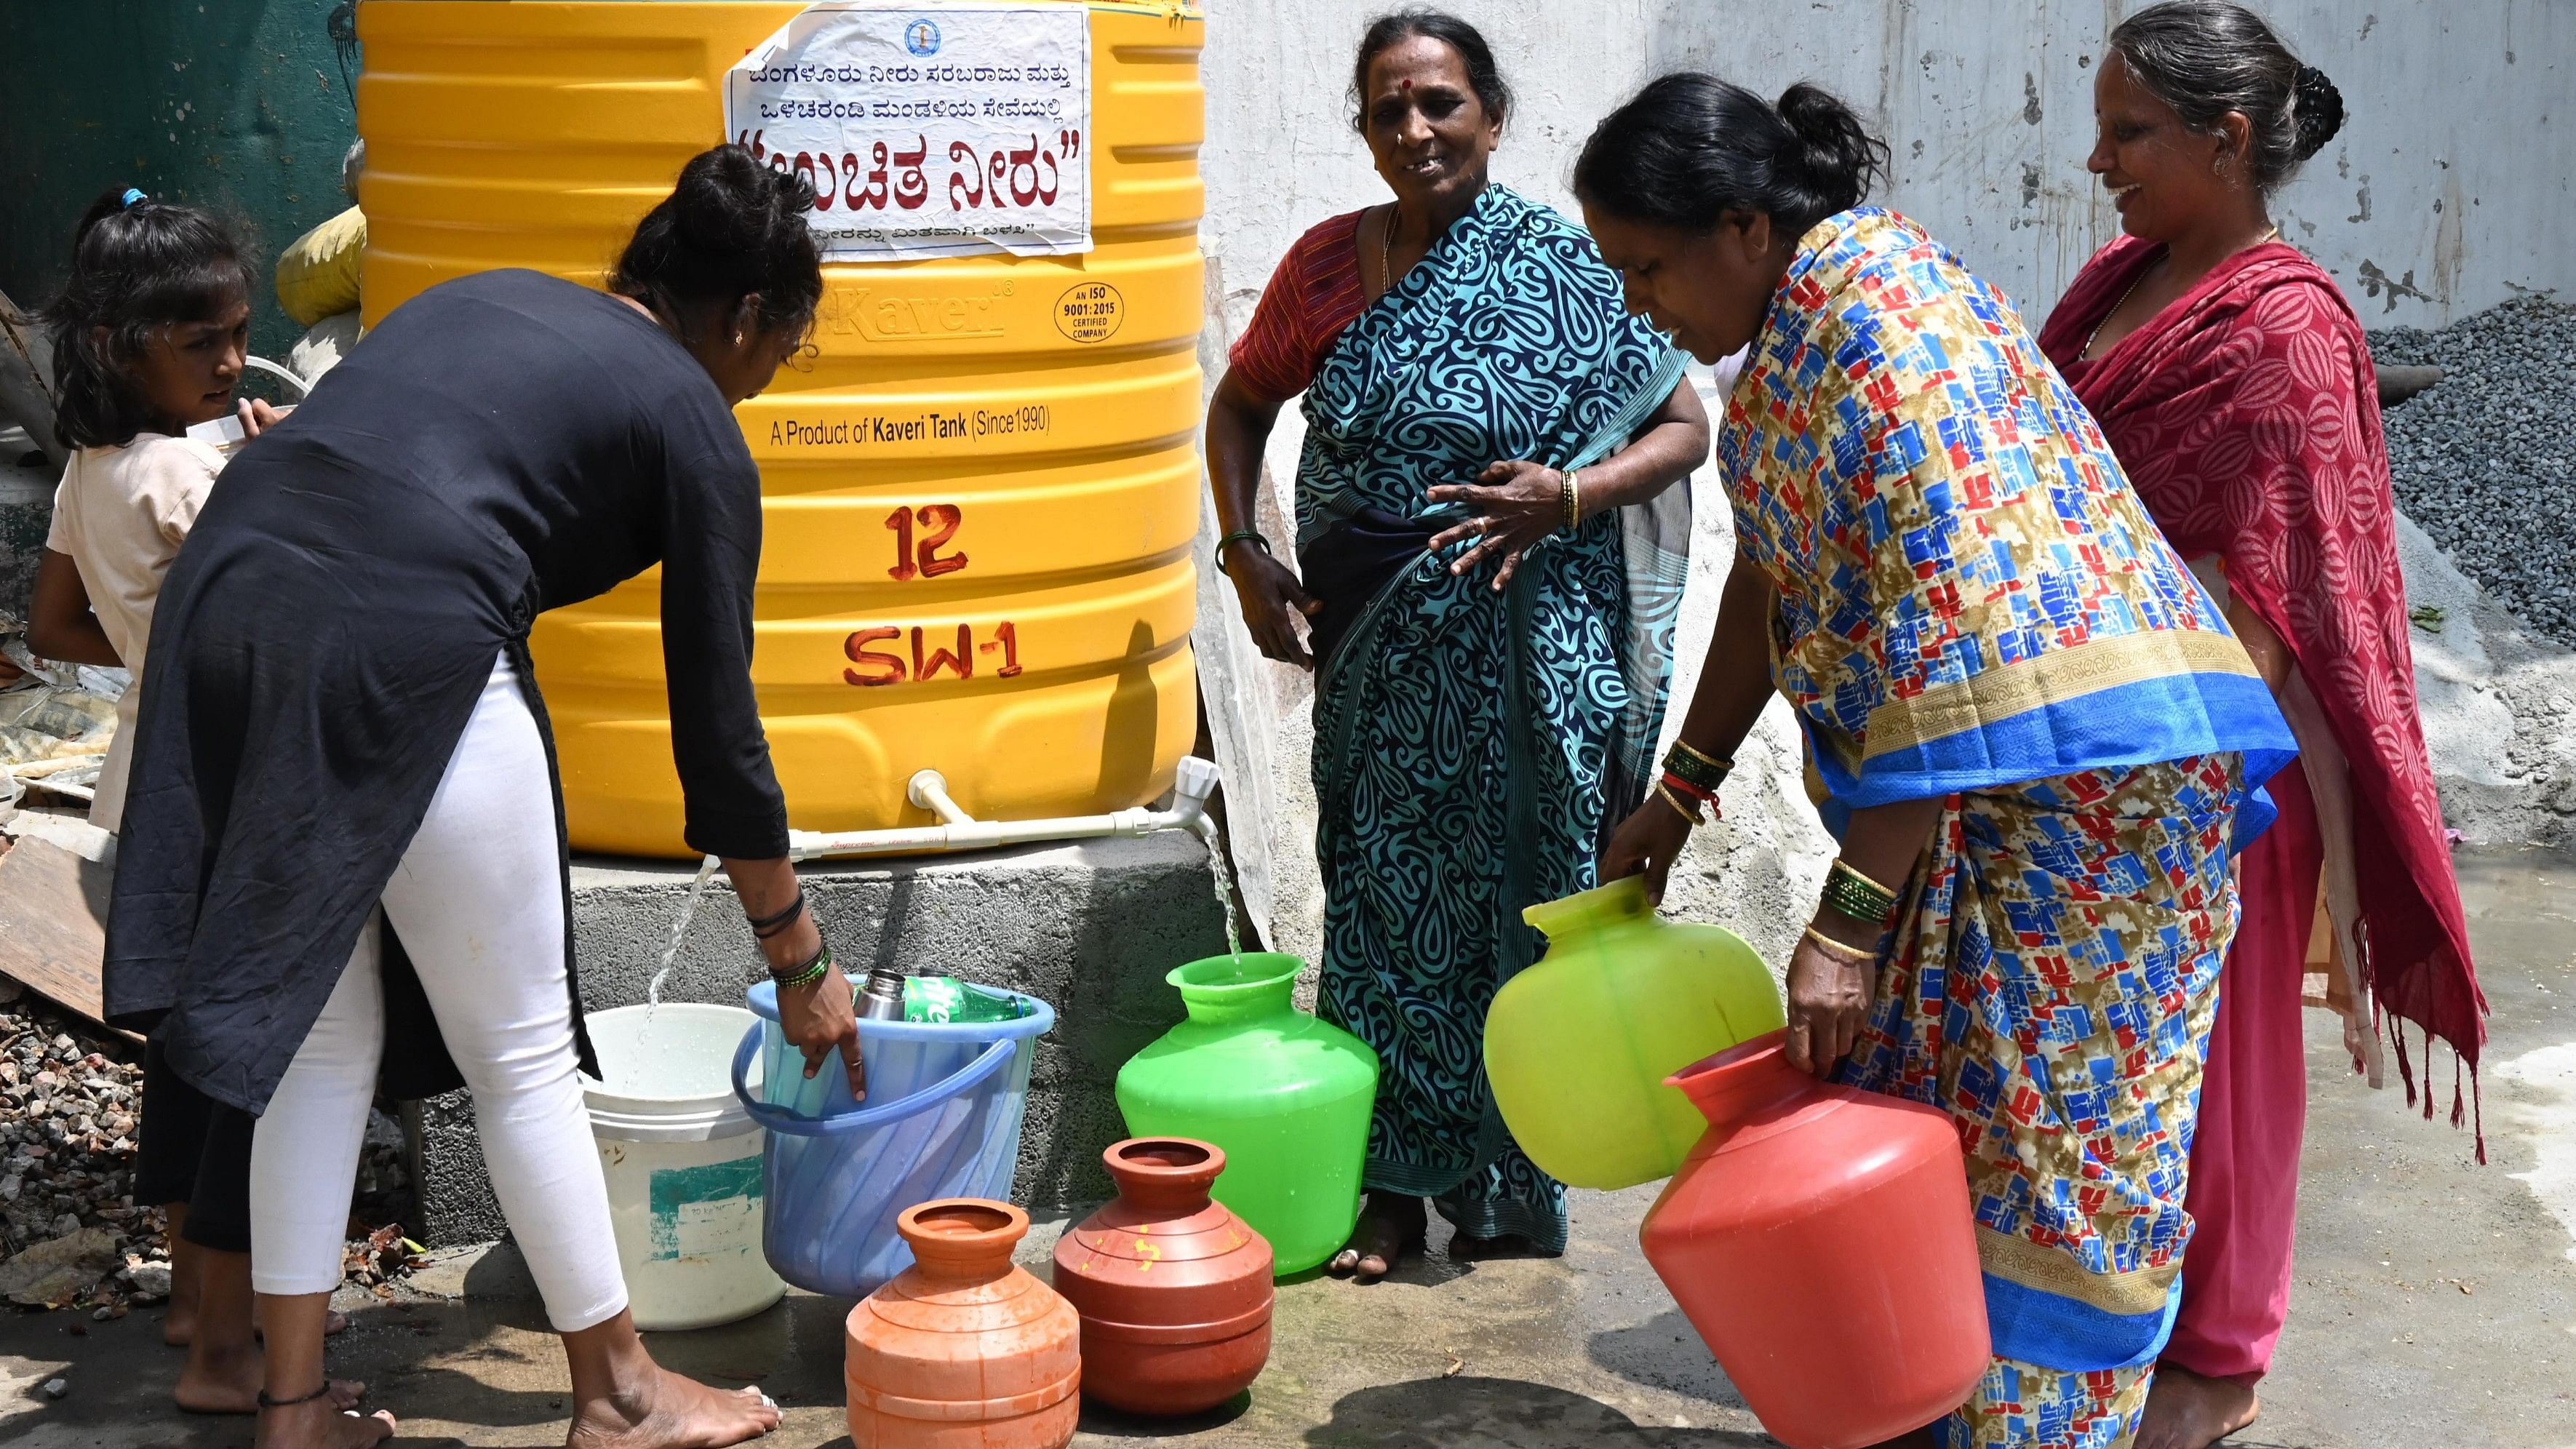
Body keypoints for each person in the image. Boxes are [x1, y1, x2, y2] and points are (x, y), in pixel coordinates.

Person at [103, 145, 863, 1449]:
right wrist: (796, 948)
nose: (761, 381)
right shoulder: (692, 417)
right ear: (744, 319)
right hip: (402, 635)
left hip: (230, 604)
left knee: (320, 1045)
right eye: (778, 352)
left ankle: (294, 1412)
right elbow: (719, 728)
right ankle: (622, 1394)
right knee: (520, 1053)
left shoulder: (486, 295)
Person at [1581, 76, 2295, 1448]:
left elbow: (1946, 633)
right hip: (1983, 797)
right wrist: (1677, 791)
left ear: (1742, 225)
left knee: (2054, 1165)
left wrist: (1848, 925)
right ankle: (1931, 1405)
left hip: (2090, 819)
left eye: (1649, 267)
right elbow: (1775, 582)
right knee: (1935, 1133)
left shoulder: (1875, 317)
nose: (1641, 306)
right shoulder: (1802, 334)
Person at [2034, 7, 2486, 1446]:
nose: (2095, 160)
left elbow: (2299, 588)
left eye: (2128, 134)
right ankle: (2117, 1307)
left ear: (2227, 139)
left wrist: (2164, 742)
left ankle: (2221, 1356)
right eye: (2102, 127)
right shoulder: (2123, 273)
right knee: (2103, 1054)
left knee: (2223, 1058)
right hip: (2084, 730)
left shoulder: (2286, 330)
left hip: (2219, 755)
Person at [1204, 8, 1707, 1277]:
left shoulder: (1576, 265)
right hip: (1377, 661)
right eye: (1389, 110)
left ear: (1492, 115)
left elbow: (1682, 426)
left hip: (1536, 670)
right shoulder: (1324, 269)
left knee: (1524, 913)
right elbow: (1241, 403)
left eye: (1440, 104)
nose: (1417, 130)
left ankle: (1505, 1192)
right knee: (1378, 908)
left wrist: (1570, 500)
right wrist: (1244, 553)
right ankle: (1389, 1186)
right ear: (1364, 132)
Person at [27, 187, 360, 1417]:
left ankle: (189, 1304)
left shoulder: (96, 463)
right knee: (238, 1073)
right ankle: (228, 1356)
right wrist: (280, 477)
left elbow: (56, 623)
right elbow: (306, 597)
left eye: (236, 333)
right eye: (202, 343)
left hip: (141, 798)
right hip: (230, 799)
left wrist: (157, 646)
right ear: (125, 345)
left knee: (181, 1055)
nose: (231, 361)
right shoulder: (194, 474)